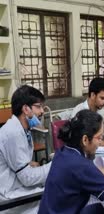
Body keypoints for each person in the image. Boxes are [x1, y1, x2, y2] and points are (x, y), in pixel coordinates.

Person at [0, 85, 52, 213]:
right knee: (54, 196)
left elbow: (20, 162)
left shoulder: (23, 130)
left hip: (17, 185)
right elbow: (27, 178)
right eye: (38, 107)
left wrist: (30, 164)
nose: (42, 112)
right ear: (26, 109)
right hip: (9, 196)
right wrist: (54, 165)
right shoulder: (13, 132)